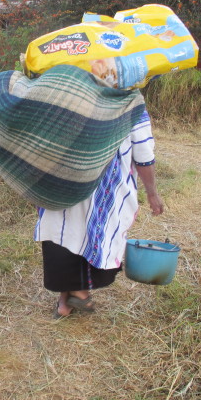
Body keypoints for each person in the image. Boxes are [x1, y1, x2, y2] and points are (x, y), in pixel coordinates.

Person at [34, 108, 164, 318]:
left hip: (61, 182)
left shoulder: (65, 94)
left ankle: (64, 304)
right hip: (103, 189)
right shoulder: (132, 106)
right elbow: (144, 155)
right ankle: (80, 293)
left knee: (63, 235)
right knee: (89, 237)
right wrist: (152, 193)